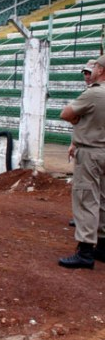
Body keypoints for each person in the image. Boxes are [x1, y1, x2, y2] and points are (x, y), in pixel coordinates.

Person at [58, 55, 105, 269]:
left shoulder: (94, 93)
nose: (91, 70)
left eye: (94, 66)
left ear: (101, 70)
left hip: (91, 152)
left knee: (86, 198)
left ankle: (85, 252)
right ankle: (102, 247)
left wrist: (78, 120)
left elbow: (66, 113)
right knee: (102, 198)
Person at [68, 60, 95, 227]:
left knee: (85, 187)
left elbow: (71, 116)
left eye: (89, 73)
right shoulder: (89, 93)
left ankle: (86, 223)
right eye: (84, 73)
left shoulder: (93, 94)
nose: (86, 76)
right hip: (87, 144)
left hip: (92, 147)